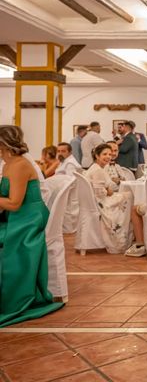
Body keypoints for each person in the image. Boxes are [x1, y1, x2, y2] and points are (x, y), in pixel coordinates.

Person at [0, 125, 64, 326]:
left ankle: (11, 298)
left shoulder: (19, 165)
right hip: (16, 217)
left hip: (26, 221)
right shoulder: (7, 163)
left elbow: (14, 203)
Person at [85, 144, 145, 256]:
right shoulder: (98, 170)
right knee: (129, 198)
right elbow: (99, 192)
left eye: (109, 154)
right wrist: (108, 191)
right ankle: (128, 239)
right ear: (97, 156)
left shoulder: (98, 168)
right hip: (101, 202)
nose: (108, 156)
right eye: (104, 154)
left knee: (128, 196)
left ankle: (135, 236)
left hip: (99, 200)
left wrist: (108, 189)